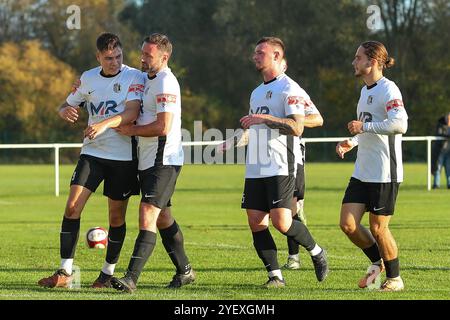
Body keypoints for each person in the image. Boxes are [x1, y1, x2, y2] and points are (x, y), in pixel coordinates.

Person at [38, 32, 145, 289]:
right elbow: (65, 104)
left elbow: (131, 113)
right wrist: (64, 110)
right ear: (98, 57)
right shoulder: (87, 78)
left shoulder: (134, 76)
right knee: (72, 207)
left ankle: (106, 275)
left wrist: (103, 125)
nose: (115, 62)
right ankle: (65, 272)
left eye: (118, 56)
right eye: (109, 58)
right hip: (92, 153)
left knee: (116, 217)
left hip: (124, 157)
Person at [240, 37, 328, 288]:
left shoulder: (290, 89)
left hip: (280, 163)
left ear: (277, 56)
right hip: (256, 165)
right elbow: (255, 126)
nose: (255, 56)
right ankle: (275, 276)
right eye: (255, 52)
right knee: (256, 222)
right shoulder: (256, 92)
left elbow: (297, 127)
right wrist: (236, 140)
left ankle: (316, 251)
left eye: (261, 52)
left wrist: (265, 118)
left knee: (282, 222)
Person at [110, 33, 194, 293]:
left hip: (164, 160)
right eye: (142, 53)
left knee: (147, 212)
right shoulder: (147, 79)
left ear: (164, 57)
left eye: (148, 54)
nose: (142, 58)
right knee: (163, 218)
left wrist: (131, 131)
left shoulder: (166, 82)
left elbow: (163, 126)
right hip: (147, 161)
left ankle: (131, 278)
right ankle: (186, 271)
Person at [336, 41, 408, 291]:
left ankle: (395, 279)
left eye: (358, 57)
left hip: (384, 172)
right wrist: (352, 142)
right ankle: (377, 263)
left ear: (373, 62)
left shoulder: (389, 90)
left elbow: (400, 124)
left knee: (379, 228)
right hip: (362, 171)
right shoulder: (365, 91)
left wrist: (363, 128)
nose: (354, 62)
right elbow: (368, 126)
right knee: (348, 224)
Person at [431, 113, 450, 189]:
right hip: (440, 151)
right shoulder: (440, 125)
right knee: (438, 167)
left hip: (448, 151)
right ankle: (436, 184)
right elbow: (439, 134)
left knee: (449, 168)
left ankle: (449, 184)